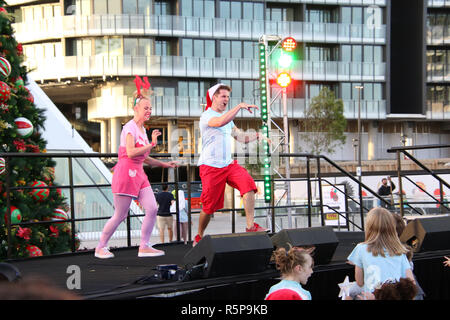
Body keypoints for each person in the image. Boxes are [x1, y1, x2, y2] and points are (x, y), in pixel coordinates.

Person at [95, 79, 178, 259]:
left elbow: (143, 157)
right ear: (136, 109)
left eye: (150, 108)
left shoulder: (142, 129)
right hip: (126, 173)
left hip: (139, 174)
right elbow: (131, 152)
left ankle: (144, 246)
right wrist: (152, 144)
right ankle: (100, 247)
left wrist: (164, 164)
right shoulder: (129, 127)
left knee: (152, 209)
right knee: (120, 215)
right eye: (145, 108)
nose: (149, 111)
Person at [194, 83, 268, 246]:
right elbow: (219, 122)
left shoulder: (228, 119)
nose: (226, 99)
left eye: (228, 97)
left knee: (248, 185)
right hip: (210, 166)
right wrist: (240, 106)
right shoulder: (207, 116)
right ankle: (199, 235)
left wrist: (258, 135)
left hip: (228, 164)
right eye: (223, 96)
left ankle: (250, 226)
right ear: (214, 97)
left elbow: (240, 137)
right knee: (209, 206)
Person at [347, 207, 415, 294]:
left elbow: (360, 282)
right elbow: (410, 282)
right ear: (391, 227)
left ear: (369, 227)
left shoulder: (361, 248)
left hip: (373, 296)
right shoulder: (399, 251)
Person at [390, 212, 424, 299]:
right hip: (413, 289)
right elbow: (419, 237)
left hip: (401, 290)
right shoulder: (408, 242)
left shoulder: (388, 248)